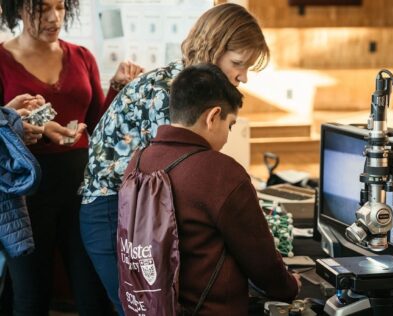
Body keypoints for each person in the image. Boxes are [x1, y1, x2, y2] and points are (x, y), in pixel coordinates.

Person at [78, 3, 269, 314]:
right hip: (112, 209)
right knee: (143, 309)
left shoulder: (185, 86)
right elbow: (184, 179)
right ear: (213, 48)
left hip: (135, 207)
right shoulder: (168, 93)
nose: (243, 76)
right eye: (238, 63)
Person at [0, 0, 143, 315]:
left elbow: (99, 129)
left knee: (93, 293)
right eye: (42, 9)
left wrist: (118, 87)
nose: (54, 18)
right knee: (30, 296)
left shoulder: (81, 57)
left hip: (84, 192)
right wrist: (14, 127)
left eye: (61, 7)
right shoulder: (1, 59)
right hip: (25, 196)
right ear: (19, 9)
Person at [122, 63, 301, 314]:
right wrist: (289, 285)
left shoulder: (138, 160)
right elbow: (261, 261)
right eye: (230, 126)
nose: (227, 137)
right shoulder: (220, 172)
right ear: (213, 116)